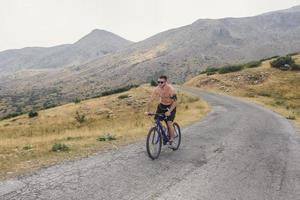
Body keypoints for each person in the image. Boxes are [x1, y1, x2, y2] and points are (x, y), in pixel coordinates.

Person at [145, 75, 177, 148]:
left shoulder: (171, 89)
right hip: (162, 106)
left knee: (169, 123)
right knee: (156, 120)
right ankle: (163, 130)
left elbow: (175, 102)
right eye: (158, 82)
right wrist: (147, 111)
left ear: (166, 82)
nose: (159, 84)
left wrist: (170, 111)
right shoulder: (157, 89)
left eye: (161, 82)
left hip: (170, 107)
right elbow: (150, 100)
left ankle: (172, 140)